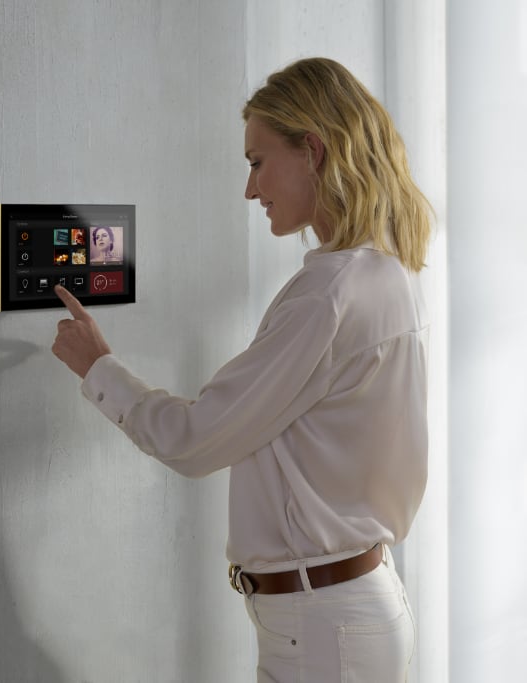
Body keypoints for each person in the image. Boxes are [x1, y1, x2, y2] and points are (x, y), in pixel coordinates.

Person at [52, 57, 431, 682]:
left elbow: (197, 438)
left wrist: (99, 368)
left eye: (257, 162)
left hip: (323, 626)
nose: (250, 190)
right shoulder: (388, 272)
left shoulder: (327, 295)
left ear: (312, 151)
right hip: (346, 610)